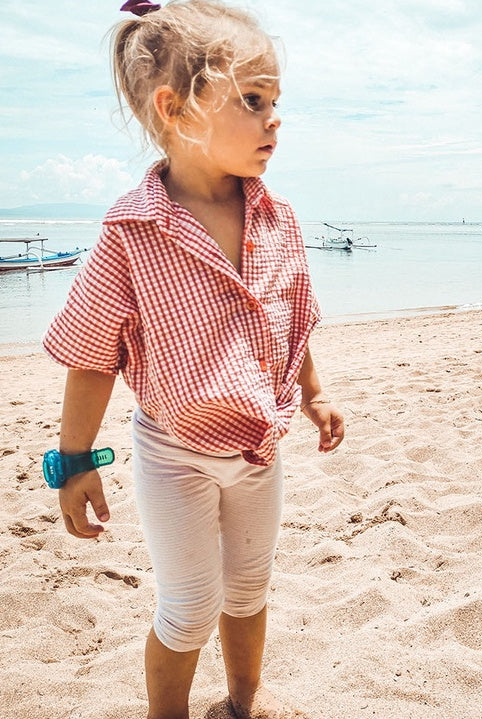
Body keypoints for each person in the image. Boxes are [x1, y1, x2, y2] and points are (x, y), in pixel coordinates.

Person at [42, 1, 344, 717]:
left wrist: (314, 390)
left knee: (248, 585)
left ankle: (245, 694)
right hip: (173, 450)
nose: (274, 119)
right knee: (189, 604)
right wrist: (74, 459)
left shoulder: (277, 216)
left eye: (275, 102)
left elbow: (286, 318)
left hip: (259, 446)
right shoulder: (130, 231)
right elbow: (91, 355)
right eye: (252, 100)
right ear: (176, 110)